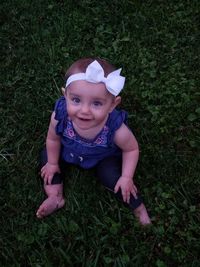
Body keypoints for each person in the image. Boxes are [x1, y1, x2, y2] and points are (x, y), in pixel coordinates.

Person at [36, 58, 151, 225]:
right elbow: (53, 139)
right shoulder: (59, 116)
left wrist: (127, 176)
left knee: (113, 177)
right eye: (76, 100)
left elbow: (131, 149)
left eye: (97, 103)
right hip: (69, 149)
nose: (84, 110)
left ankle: (138, 208)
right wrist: (53, 163)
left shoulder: (115, 129)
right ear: (65, 95)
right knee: (47, 156)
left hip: (104, 157)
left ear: (112, 105)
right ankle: (55, 196)